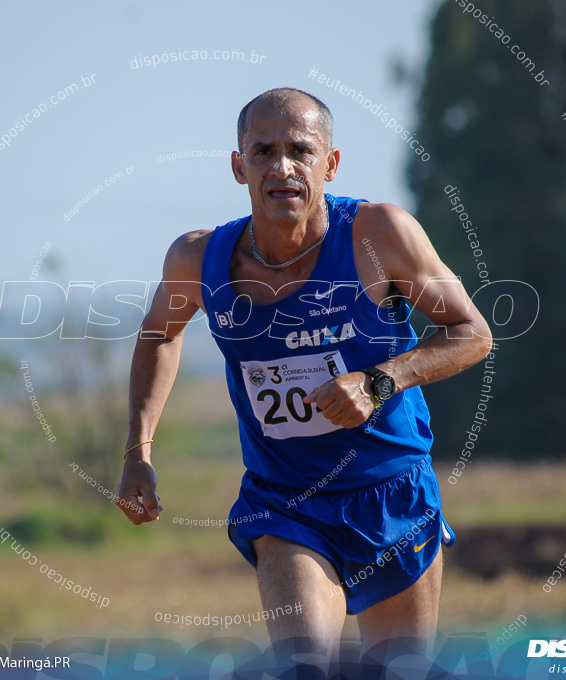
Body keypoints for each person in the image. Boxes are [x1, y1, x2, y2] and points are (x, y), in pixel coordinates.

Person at [115, 87, 492, 665]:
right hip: (287, 502)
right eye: (263, 151)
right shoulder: (198, 260)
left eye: (300, 150)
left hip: (391, 491)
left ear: (331, 164)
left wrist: (381, 381)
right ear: (239, 167)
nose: (282, 167)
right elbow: (160, 333)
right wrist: (138, 449)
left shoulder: (380, 236)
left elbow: (473, 333)